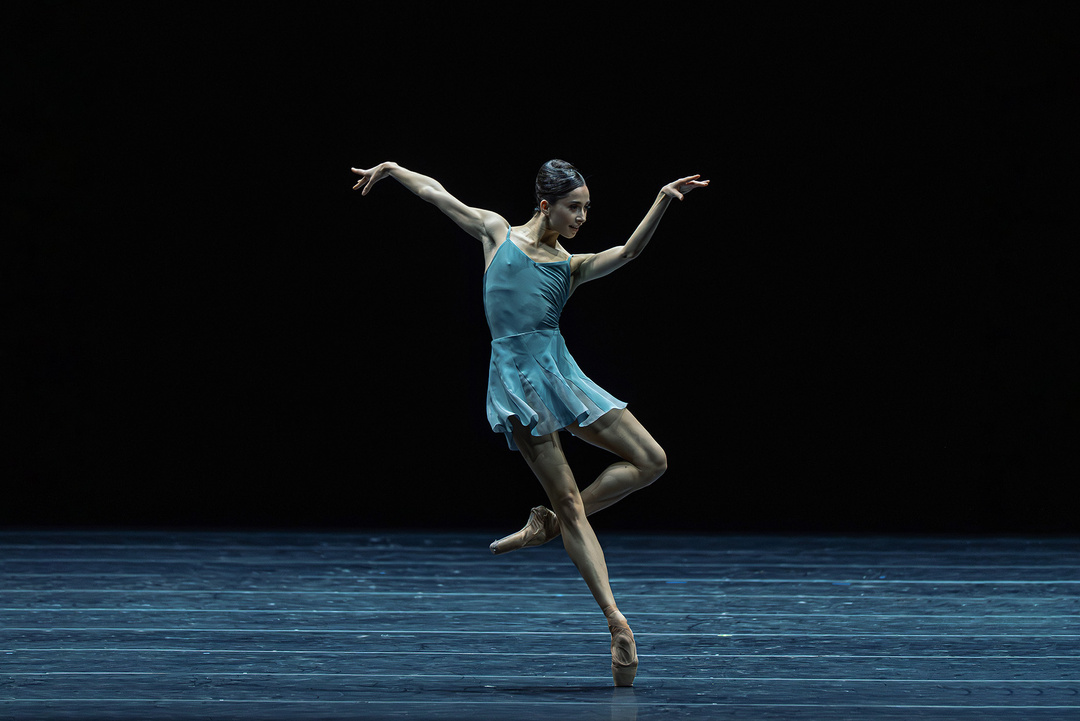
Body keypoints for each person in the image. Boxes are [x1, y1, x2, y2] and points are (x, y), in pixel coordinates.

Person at [350, 159, 708, 686]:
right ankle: (617, 624)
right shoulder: (497, 233)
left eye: (586, 208)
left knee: (652, 460)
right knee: (570, 501)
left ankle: (551, 526)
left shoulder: (570, 266)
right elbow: (437, 194)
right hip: (517, 383)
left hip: (561, 372)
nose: (582, 217)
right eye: (574, 207)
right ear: (546, 205)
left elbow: (629, 252)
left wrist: (660, 199)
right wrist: (393, 169)